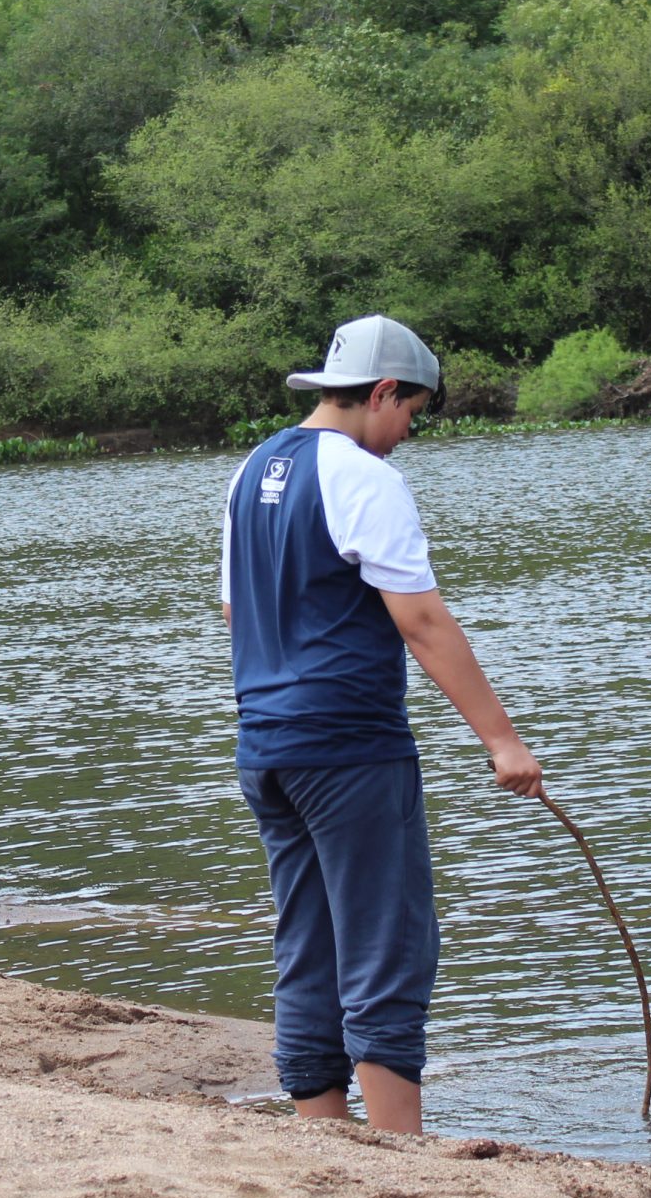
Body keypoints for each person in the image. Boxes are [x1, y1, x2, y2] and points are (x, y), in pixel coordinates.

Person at [220, 315, 543, 1136]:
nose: (407, 433)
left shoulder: (255, 468)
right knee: (386, 943)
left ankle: (323, 1138)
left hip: (266, 748)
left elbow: (233, 607)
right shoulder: (363, 479)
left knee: (310, 945)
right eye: (411, 413)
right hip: (351, 748)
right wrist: (501, 740)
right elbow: (422, 621)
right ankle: (400, 1148)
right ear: (383, 391)